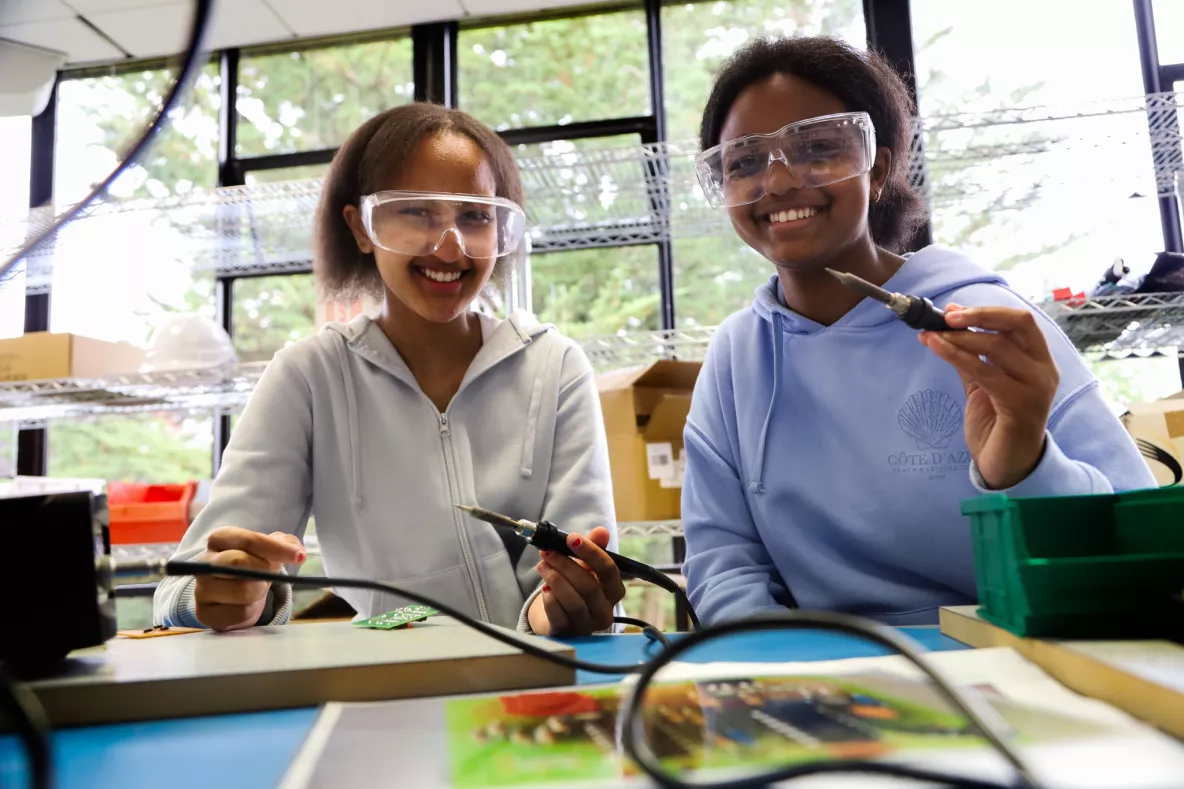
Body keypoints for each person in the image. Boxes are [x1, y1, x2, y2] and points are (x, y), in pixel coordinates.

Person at [679, 36, 1156, 627]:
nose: (776, 183)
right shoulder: (735, 359)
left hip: (1013, 657)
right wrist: (775, 676)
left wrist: (1026, 467)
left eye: (817, 149)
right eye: (744, 162)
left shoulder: (986, 325)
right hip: (828, 679)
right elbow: (725, 563)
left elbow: (1130, 545)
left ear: (877, 168)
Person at [155, 103, 624, 637]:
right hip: (389, 682)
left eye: (475, 216)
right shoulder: (309, 378)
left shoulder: (555, 365)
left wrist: (561, 605)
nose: (449, 245)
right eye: (416, 212)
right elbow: (180, 588)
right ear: (361, 226)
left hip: (536, 671)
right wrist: (228, 594)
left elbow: (578, 558)